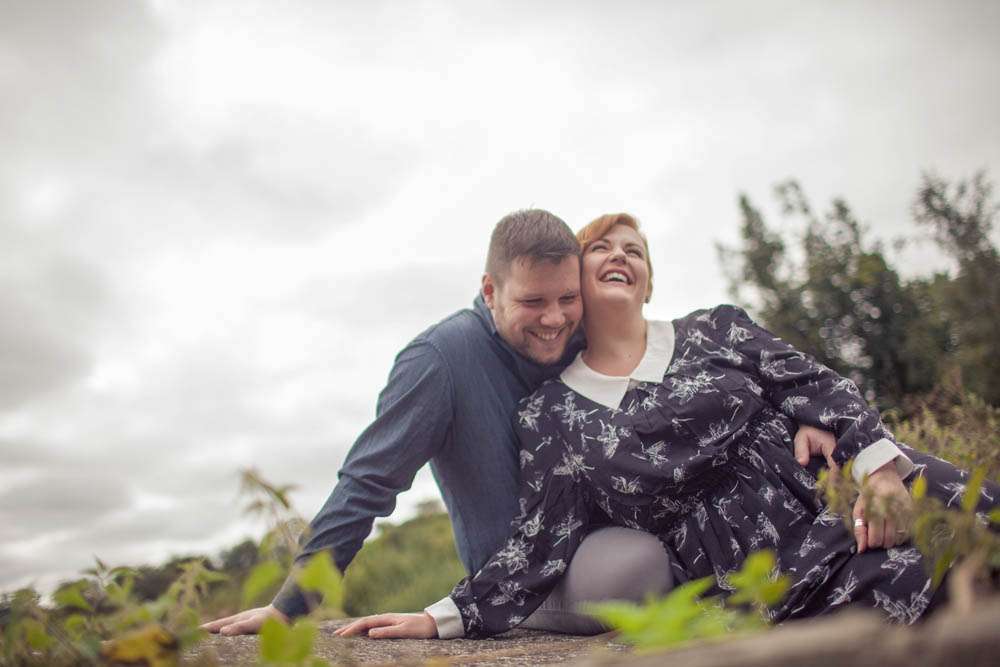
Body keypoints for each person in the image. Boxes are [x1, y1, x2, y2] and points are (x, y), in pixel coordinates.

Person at [336, 213, 998, 640]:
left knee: (982, 526)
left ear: (648, 281)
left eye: (636, 250)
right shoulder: (552, 416)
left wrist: (877, 469)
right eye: (602, 246)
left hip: (843, 492)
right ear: (576, 282)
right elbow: (540, 542)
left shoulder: (716, 327)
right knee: (921, 601)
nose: (620, 254)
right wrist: (441, 617)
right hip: (769, 566)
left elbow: (813, 382)